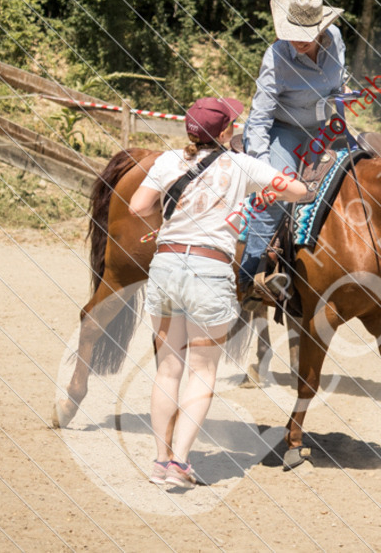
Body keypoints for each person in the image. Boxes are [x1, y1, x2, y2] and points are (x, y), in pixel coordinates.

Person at [129, 97, 307, 488]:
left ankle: (160, 462)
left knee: (168, 369)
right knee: (203, 370)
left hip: (166, 264)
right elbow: (297, 190)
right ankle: (180, 462)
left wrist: (169, 218)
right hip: (208, 271)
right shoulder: (242, 165)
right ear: (226, 132)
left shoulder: (167, 160)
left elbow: (137, 205)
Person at [240, 0, 346, 298]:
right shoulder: (276, 56)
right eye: (293, 32)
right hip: (283, 130)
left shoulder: (336, 38)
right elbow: (259, 117)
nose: (298, 40)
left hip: (324, 128)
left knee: (355, 176)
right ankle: (250, 274)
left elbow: (339, 81)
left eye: (306, 33)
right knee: (278, 193)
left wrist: (343, 97)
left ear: (322, 27)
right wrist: (262, 169)